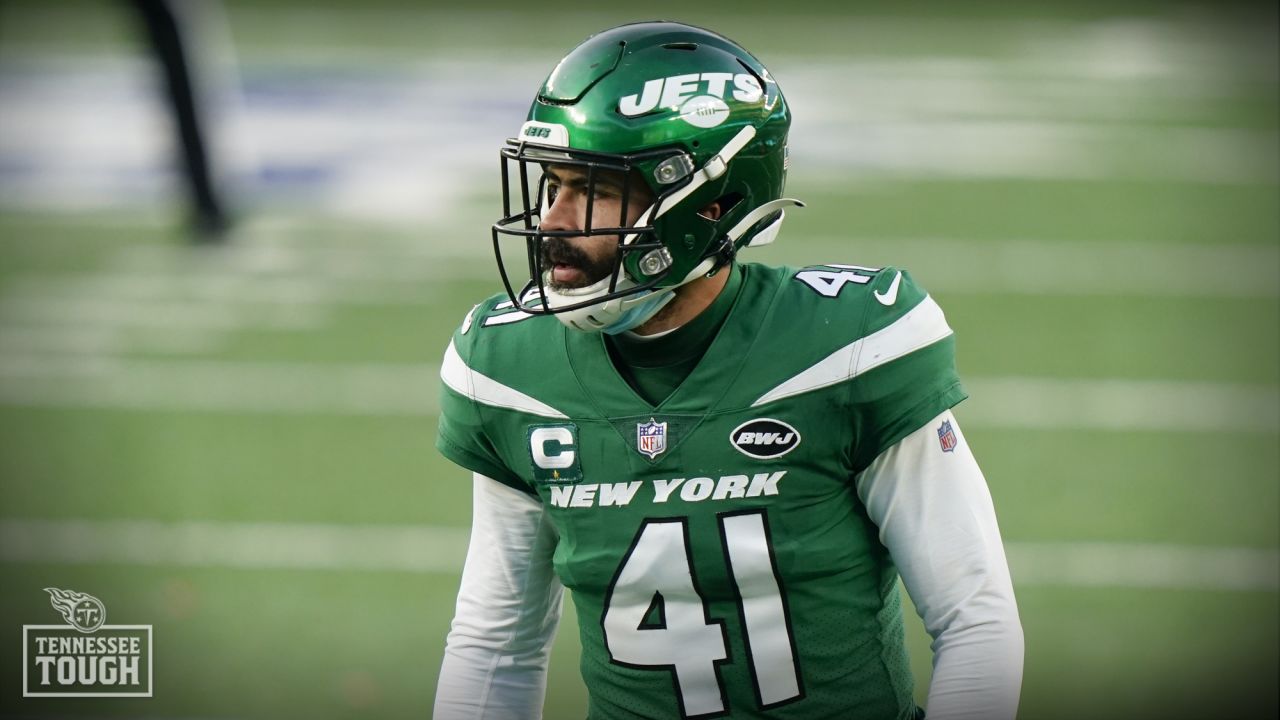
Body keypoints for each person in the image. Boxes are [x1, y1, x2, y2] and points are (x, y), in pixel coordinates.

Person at [433, 21, 1023, 720]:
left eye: (590, 189)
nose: (552, 221)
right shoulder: (510, 371)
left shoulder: (848, 347)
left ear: (707, 205)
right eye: (553, 184)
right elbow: (495, 645)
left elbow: (975, 621)